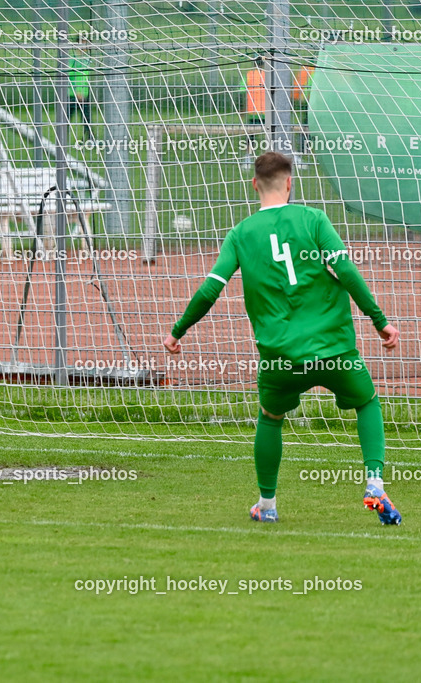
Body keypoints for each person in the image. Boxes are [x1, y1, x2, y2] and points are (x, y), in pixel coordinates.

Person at [164, 152, 403, 524]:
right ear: (290, 184)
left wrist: (178, 331)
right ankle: (374, 481)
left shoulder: (241, 234)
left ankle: (268, 505)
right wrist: (379, 321)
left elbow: (211, 289)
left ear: (255, 184)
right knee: (367, 402)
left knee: (271, 418)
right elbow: (346, 270)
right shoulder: (313, 219)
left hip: (280, 358)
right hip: (334, 348)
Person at [67, 41, 93, 141]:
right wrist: (76, 90)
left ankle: (90, 139)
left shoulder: (87, 59)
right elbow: (70, 75)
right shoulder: (73, 58)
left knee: (86, 118)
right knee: (67, 118)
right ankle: (62, 139)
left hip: (84, 93)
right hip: (73, 94)